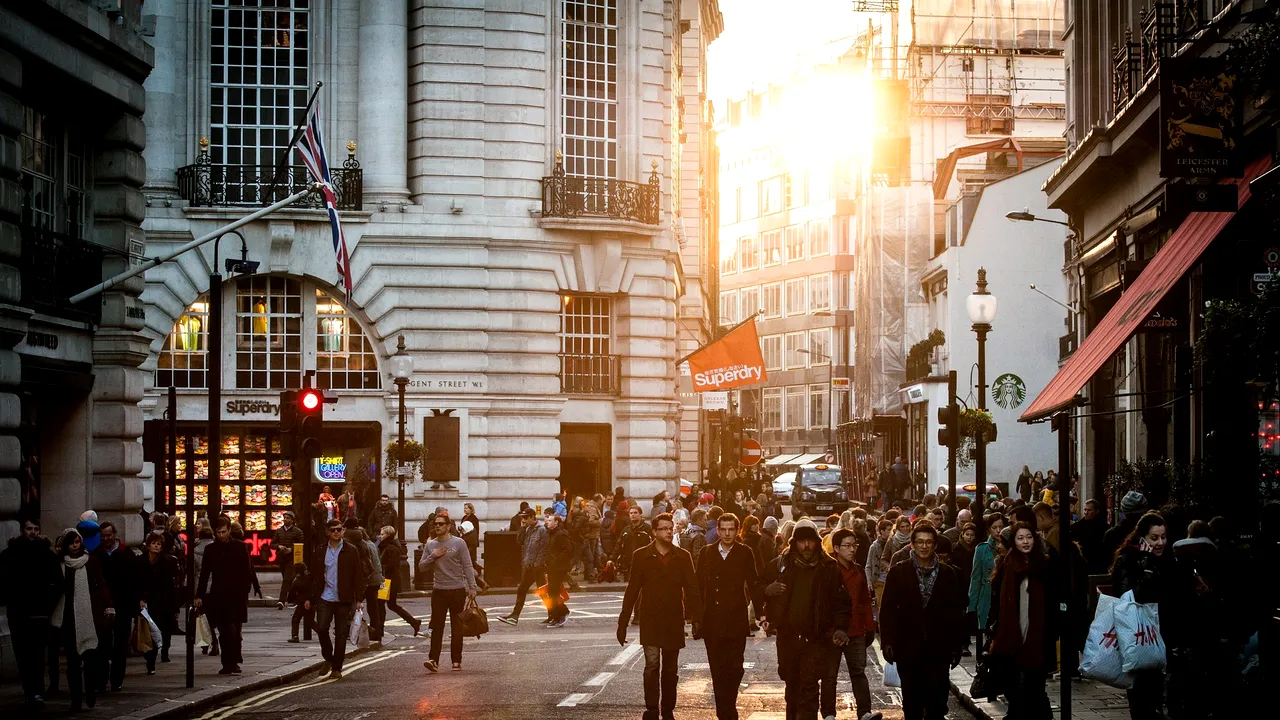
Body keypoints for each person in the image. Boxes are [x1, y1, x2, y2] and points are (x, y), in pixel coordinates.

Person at [762, 518, 851, 719]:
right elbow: (758, 587)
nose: (807, 546)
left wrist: (840, 628)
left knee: (809, 688)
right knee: (792, 686)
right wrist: (768, 591)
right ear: (794, 543)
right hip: (788, 637)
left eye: (810, 541)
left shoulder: (829, 568)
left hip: (816, 638)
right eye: (802, 541)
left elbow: (842, 602)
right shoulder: (780, 565)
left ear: (817, 542)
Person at [618, 512, 702, 720]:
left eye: (670, 528)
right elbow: (632, 590)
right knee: (652, 664)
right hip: (651, 617)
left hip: (673, 618)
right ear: (654, 532)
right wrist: (623, 622)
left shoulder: (683, 556)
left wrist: (698, 619)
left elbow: (692, 590)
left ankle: (668, 708)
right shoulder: (641, 556)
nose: (668, 531)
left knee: (671, 668)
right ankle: (652, 707)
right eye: (663, 528)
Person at [880, 521, 966, 720]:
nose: (924, 546)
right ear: (912, 544)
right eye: (919, 542)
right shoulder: (899, 571)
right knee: (912, 702)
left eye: (928, 542)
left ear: (935, 545)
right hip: (908, 646)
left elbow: (955, 612)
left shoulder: (947, 573)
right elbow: (888, 609)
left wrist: (956, 645)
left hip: (939, 647)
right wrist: (887, 641)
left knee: (937, 702)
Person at [1110, 511, 1192, 720]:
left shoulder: (1169, 561)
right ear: (1142, 538)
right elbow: (1128, 597)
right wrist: (1145, 565)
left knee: (1156, 695)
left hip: (1162, 637)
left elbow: (1176, 601)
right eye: (1154, 538)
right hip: (1137, 637)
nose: (1160, 542)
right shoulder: (1129, 560)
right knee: (1141, 696)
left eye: (1163, 537)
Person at [695, 512, 762, 719]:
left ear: (737, 530)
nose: (726, 533)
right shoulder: (707, 553)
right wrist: (694, 618)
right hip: (712, 620)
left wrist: (761, 614)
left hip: (736, 618)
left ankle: (728, 704)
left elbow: (754, 584)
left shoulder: (744, 552)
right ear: (717, 530)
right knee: (717, 669)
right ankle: (725, 712)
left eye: (731, 529)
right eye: (723, 529)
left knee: (735, 667)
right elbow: (697, 588)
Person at [987, 522, 1057, 719]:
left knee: (1036, 686)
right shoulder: (1007, 564)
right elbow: (997, 600)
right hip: (1011, 636)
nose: (1025, 542)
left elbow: (1053, 598)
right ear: (1013, 542)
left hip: (1038, 635)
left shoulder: (1043, 563)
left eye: (1029, 537)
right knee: (1015, 688)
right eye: (1020, 538)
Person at [1, 518, 61, 710]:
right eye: (29, 529)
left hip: (39, 612)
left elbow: (58, 583)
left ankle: (36, 691)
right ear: (22, 530)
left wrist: (48, 605)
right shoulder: (10, 554)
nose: (32, 532)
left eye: (36, 529)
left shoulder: (47, 554)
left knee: (36, 653)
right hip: (18, 611)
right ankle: (30, 690)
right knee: (22, 652)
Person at [52, 528, 113, 711]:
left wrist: (108, 605)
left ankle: (90, 692)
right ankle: (76, 699)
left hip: (88, 616)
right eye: (71, 543)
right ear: (65, 545)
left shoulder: (90, 561)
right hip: (68, 617)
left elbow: (101, 584)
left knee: (90, 660)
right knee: (72, 663)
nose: (75, 546)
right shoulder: (60, 563)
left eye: (77, 542)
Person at [196, 515, 257, 675]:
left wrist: (246, 589)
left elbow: (247, 571)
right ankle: (227, 663)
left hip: (236, 595)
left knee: (235, 631)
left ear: (229, 530)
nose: (221, 535)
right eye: (218, 532)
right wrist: (199, 595)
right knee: (224, 631)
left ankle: (235, 660)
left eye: (224, 532)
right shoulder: (210, 549)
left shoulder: (240, 547)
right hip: (219, 595)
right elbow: (204, 574)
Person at [419, 509, 478, 672]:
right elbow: (422, 567)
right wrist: (433, 556)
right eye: (435, 524)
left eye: (441, 524)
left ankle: (456, 661)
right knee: (437, 627)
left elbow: (467, 565)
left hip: (457, 590)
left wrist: (472, 587)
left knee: (457, 627)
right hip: (439, 591)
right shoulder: (431, 545)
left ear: (448, 526)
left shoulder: (459, 543)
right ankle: (433, 660)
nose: (437, 526)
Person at [307, 519, 365, 680]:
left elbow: (358, 575)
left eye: (339, 530)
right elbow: (314, 576)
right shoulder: (320, 550)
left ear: (343, 531)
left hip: (343, 598)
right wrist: (309, 597)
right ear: (327, 532)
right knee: (321, 628)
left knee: (341, 634)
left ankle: (337, 668)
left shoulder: (351, 550)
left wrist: (359, 598)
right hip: (325, 596)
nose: (336, 532)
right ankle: (329, 658)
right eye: (333, 530)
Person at [829, 528, 876, 720]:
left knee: (858, 673)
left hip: (856, 631)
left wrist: (870, 628)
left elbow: (865, 602)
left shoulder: (858, 572)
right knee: (830, 675)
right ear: (836, 548)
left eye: (854, 545)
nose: (852, 550)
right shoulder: (829, 571)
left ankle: (864, 712)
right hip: (833, 633)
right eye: (847, 546)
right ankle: (828, 713)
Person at [93, 521, 138, 691]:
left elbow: (135, 581)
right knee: (102, 645)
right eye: (103, 536)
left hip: (123, 606)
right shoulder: (97, 554)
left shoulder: (126, 553)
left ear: (115, 534)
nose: (106, 539)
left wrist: (136, 604)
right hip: (103, 606)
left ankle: (117, 680)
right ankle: (101, 680)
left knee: (120, 645)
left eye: (108, 535)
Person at [499, 508, 547, 626]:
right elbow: (519, 541)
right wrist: (522, 528)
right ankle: (514, 616)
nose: (523, 520)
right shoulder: (528, 529)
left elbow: (543, 549)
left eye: (525, 517)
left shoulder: (542, 530)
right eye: (522, 517)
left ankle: (556, 613)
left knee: (542, 592)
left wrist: (538, 564)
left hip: (537, 567)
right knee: (525, 589)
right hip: (528, 565)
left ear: (532, 517)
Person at [139, 530, 178, 675]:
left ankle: (158, 656)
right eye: (154, 544)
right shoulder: (140, 561)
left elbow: (170, 585)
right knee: (149, 632)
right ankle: (150, 660)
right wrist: (140, 598)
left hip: (163, 601)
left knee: (160, 631)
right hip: (147, 602)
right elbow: (137, 582)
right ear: (148, 545)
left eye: (159, 544)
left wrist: (174, 606)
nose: (156, 546)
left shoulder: (167, 562)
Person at [968, 512, 1006, 651]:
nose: (998, 530)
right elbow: (975, 577)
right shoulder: (982, 549)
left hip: (1003, 593)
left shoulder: (1010, 546)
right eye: (994, 527)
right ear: (989, 529)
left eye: (1001, 527)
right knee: (985, 631)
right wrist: (971, 606)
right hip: (986, 594)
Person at [378, 526, 423, 637]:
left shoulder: (391, 548)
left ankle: (380, 629)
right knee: (391, 605)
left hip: (388, 581)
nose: (380, 536)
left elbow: (390, 566)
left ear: (388, 535)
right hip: (388, 580)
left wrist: (381, 568)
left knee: (381, 604)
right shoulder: (387, 547)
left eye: (382, 534)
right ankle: (414, 622)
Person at [544, 513, 574, 627]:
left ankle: (561, 614)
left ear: (556, 522)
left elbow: (568, 550)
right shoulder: (551, 534)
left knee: (554, 592)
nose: (548, 522)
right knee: (552, 592)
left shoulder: (560, 534)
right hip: (552, 567)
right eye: (547, 520)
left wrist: (556, 561)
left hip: (558, 568)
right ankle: (558, 615)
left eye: (550, 520)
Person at [272, 510, 305, 609]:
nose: (285, 520)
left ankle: (281, 601)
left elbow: (302, 545)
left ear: (292, 520)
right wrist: (278, 546)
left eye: (288, 518)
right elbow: (272, 544)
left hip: (292, 559)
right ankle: (295, 598)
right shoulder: (279, 531)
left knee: (286, 579)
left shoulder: (297, 531)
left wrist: (291, 549)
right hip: (282, 558)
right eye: (285, 518)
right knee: (288, 580)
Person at [612, 504, 654, 580]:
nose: (633, 515)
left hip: (644, 564)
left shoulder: (647, 529)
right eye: (631, 513)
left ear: (640, 515)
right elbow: (619, 545)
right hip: (629, 565)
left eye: (635, 513)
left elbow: (654, 544)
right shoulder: (626, 530)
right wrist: (612, 559)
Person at [1072, 499, 1110, 574]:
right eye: (1085, 510)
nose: (1086, 512)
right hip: (1083, 565)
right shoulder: (1077, 527)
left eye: (1089, 510)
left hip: (1098, 565)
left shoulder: (1104, 527)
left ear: (1097, 511)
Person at [286, 561, 315, 643]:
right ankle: (321, 632)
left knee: (295, 619)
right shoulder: (310, 579)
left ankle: (295, 636)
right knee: (311, 621)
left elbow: (291, 592)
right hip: (311, 602)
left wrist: (290, 600)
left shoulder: (297, 581)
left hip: (302, 603)